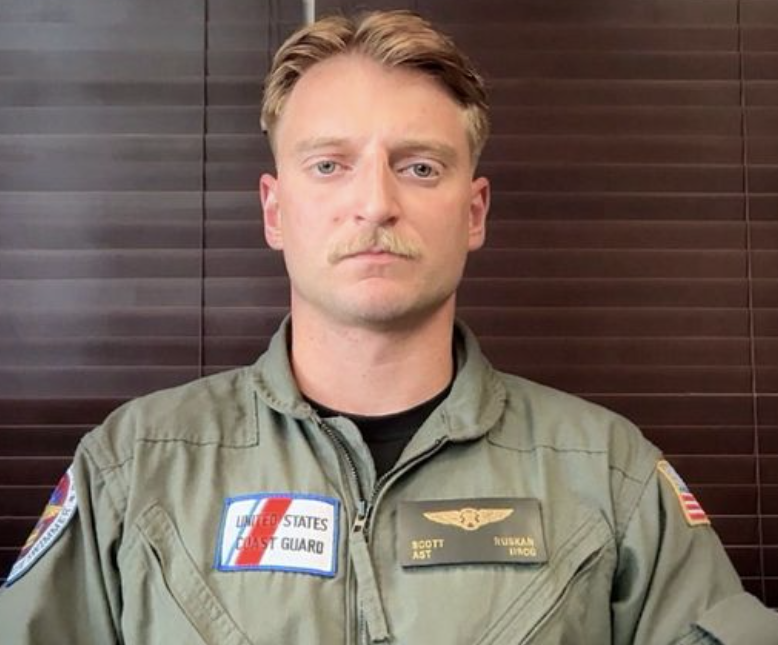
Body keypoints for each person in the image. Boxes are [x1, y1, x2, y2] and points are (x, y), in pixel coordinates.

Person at [1, 10, 776, 644]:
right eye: (329, 165)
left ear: (474, 212)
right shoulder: (133, 468)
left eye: (419, 167)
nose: (374, 203)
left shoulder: (609, 474)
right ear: (275, 209)